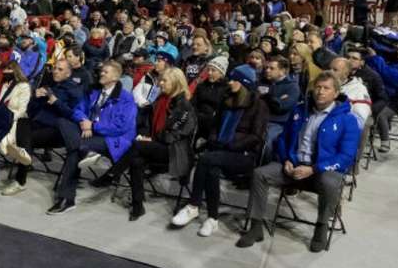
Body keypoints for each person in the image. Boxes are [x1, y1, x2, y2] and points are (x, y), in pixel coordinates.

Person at [239, 72, 361, 252]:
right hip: (293, 165)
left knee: (330, 182)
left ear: (336, 93)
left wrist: (314, 169)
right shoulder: (299, 111)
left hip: (321, 170)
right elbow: (283, 139)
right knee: (260, 174)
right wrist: (286, 159)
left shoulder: (348, 120)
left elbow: (346, 156)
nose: (320, 92)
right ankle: (255, 227)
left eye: (326, 88)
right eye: (318, 87)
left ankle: (321, 226)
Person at [171, 65, 267, 236]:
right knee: (212, 168)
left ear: (244, 83)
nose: (230, 82)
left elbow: (256, 137)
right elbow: (214, 127)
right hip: (219, 151)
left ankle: (193, 205)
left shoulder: (258, 105)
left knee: (205, 159)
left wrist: (231, 145)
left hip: (242, 155)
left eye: (234, 80)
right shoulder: (226, 99)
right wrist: (215, 140)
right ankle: (212, 219)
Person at [91, 67, 195, 221]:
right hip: (155, 146)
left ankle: (112, 174)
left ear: (175, 83)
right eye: (160, 80)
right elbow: (147, 125)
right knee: (136, 160)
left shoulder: (184, 106)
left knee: (138, 146)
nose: (160, 83)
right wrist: (145, 136)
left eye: (164, 81)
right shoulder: (160, 100)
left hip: (175, 152)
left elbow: (175, 135)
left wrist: (151, 139)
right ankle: (137, 205)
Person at [50, 60, 137, 215]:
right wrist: (84, 121)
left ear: (115, 77)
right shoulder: (93, 91)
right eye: (101, 71)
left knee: (75, 151)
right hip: (90, 133)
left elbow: (121, 127)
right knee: (63, 123)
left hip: (114, 140)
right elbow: (78, 109)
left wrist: (93, 126)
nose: (101, 74)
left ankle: (66, 199)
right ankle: (84, 152)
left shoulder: (126, 98)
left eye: (105, 72)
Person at [2, 59, 85, 195]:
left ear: (68, 73)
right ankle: (24, 157)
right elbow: (32, 110)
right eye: (55, 68)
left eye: (60, 69)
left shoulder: (75, 91)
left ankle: (20, 180)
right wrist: (35, 96)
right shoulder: (50, 85)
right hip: (39, 124)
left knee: (26, 139)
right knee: (21, 122)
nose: (55, 71)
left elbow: (74, 116)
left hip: (58, 131)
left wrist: (56, 102)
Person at [261, 54, 300, 149]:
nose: (267, 70)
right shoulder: (262, 82)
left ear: (282, 71)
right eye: (266, 68)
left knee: (267, 142)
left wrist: (267, 97)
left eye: (271, 68)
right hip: (259, 120)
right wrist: (277, 99)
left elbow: (281, 107)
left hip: (277, 123)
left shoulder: (292, 87)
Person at [330, 57, 372, 130]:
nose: (330, 72)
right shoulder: (323, 85)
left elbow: (359, 121)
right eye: (329, 68)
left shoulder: (359, 90)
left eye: (335, 70)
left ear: (345, 74)